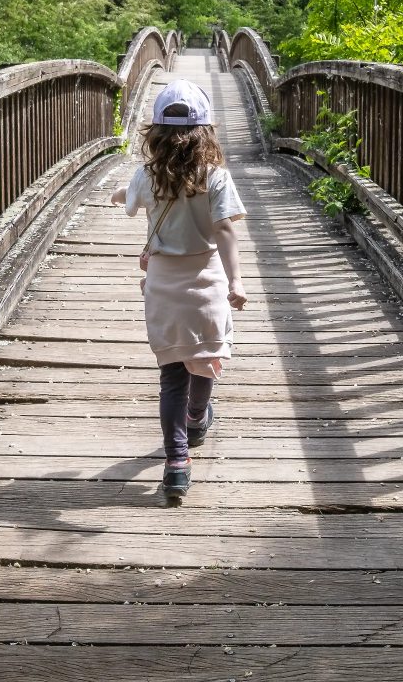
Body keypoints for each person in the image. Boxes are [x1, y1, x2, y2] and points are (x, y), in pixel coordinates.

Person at [110, 78, 247, 499]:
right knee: (204, 361)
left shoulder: (147, 176)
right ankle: (197, 417)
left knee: (172, 375)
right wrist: (237, 280)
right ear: (205, 132)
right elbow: (224, 229)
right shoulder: (216, 178)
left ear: (155, 133)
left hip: (164, 285)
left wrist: (121, 195)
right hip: (206, 282)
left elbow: (132, 196)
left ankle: (176, 464)